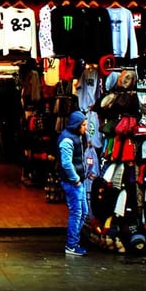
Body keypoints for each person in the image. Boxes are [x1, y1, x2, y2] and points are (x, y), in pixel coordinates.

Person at [57, 110, 89, 256]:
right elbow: (66, 163)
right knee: (77, 213)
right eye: (83, 125)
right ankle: (71, 245)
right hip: (73, 183)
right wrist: (75, 179)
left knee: (82, 212)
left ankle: (74, 242)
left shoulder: (76, 137)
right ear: (77, 125)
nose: (85, 128)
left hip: (77, 181)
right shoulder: (67, 140)